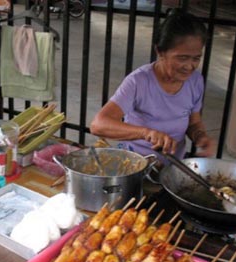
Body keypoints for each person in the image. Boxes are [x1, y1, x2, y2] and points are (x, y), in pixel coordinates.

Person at [90, 9, 215, 163]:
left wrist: (200, 136)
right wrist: (146, 133)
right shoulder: (139, 81)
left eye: (196, 58)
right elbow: (98, 125)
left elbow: (194, 122)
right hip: (135, 163)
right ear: (160, 51)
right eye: (182, 58)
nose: (189, 66)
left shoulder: (195, 81)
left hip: (174, 164)